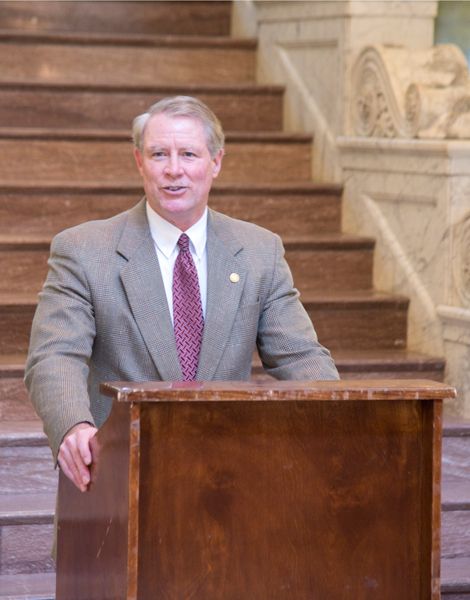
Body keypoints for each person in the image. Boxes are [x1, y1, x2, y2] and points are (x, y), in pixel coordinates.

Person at [25, 96, 339, 494]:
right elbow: (53, 356)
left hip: (229, 484)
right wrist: (73, 424)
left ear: (216, 162)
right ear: (140, 162)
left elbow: (300, 356)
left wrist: (342, 417)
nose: (174, 170)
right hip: (117, 482)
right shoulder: (83, 250)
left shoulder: (261, 251)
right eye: (159, 154)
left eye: (189, 154)